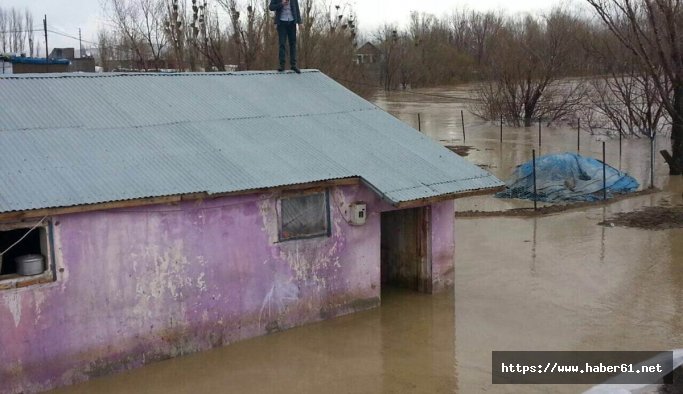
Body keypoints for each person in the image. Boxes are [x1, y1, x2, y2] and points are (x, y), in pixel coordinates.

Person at [269, 0, 302, 73]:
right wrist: (281, 3)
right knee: (282, 43)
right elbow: (271, 7)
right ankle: (282, 65)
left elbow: (297, 8)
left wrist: (299, 22)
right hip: (281, 22)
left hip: (292, 22)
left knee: (293, 43)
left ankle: (293, 65)